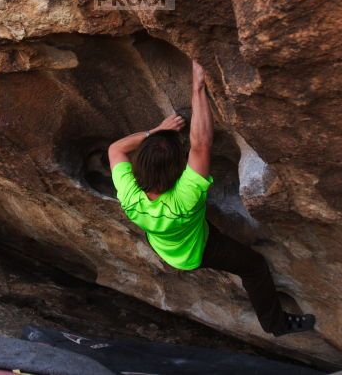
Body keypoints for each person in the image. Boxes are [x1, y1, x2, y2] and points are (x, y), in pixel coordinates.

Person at [107, 60, 315, 336]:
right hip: (198, 250)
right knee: (254, 267)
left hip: (163, 243)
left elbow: (116, 149)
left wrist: (153, 133)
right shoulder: (185, 198)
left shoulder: (129, 195)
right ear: (178, 169)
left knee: (186, 227)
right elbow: (201, 143)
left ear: (140, 165)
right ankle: (275, 324)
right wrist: (198, 88)